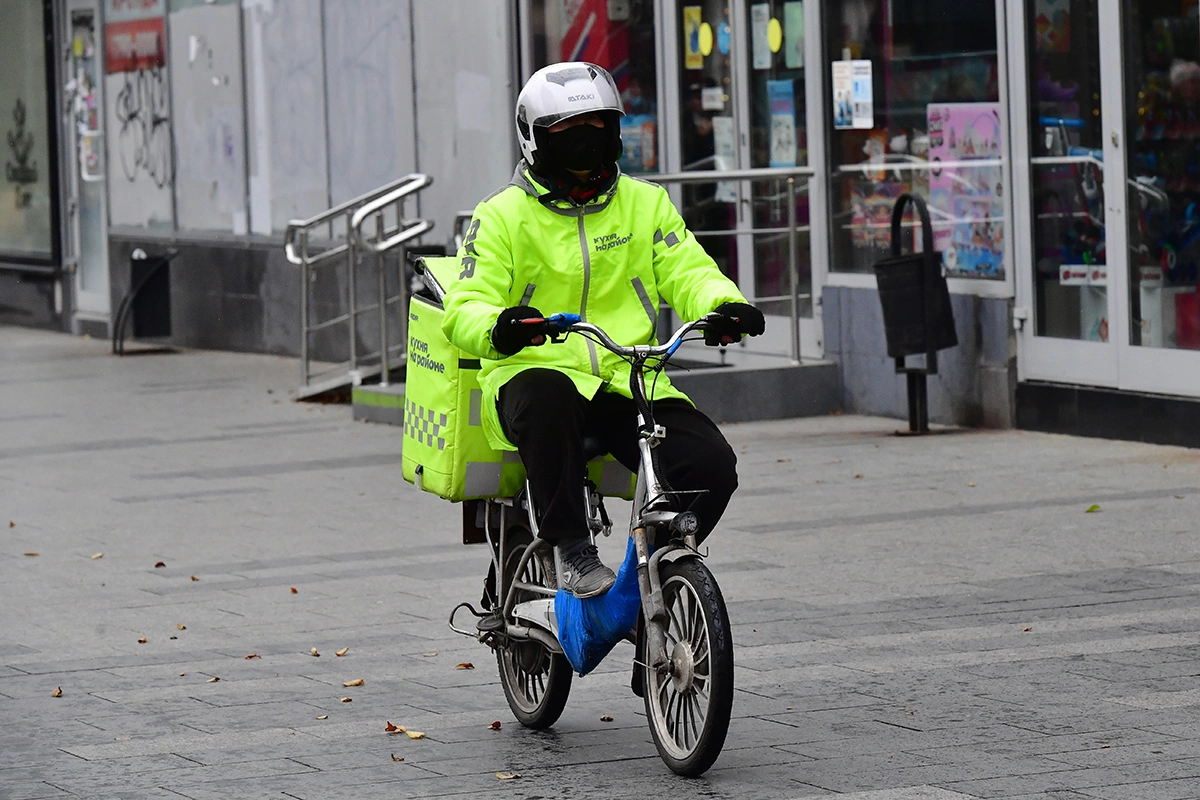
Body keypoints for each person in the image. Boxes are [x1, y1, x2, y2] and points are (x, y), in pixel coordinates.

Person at [442, 62, 764, 599]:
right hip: (533, 374)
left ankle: (655, 570)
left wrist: (725, 304)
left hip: (625, 374)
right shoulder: (500, 216)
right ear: (534, 139)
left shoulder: (646, 203)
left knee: (712, 464)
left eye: (597, 127)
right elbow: (465, 305)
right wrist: (502, 327)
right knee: (548, 398)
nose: (585, 141)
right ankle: (571, 549)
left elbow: (688, 270)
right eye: (567, 132)